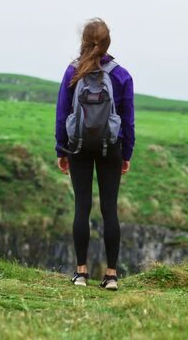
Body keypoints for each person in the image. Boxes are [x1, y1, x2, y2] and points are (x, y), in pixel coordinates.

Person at [54, 18, 135, 290]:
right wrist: (126, 153)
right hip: (111, 147)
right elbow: (128, 119)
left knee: (82, 207)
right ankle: (111, 275)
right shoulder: (121, 75)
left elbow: (62, 113)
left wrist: (61, 148)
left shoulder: (72, 72)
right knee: (109, 209)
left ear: (84, 42)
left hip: (77, 146)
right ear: (108, 42)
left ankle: (81, 273)